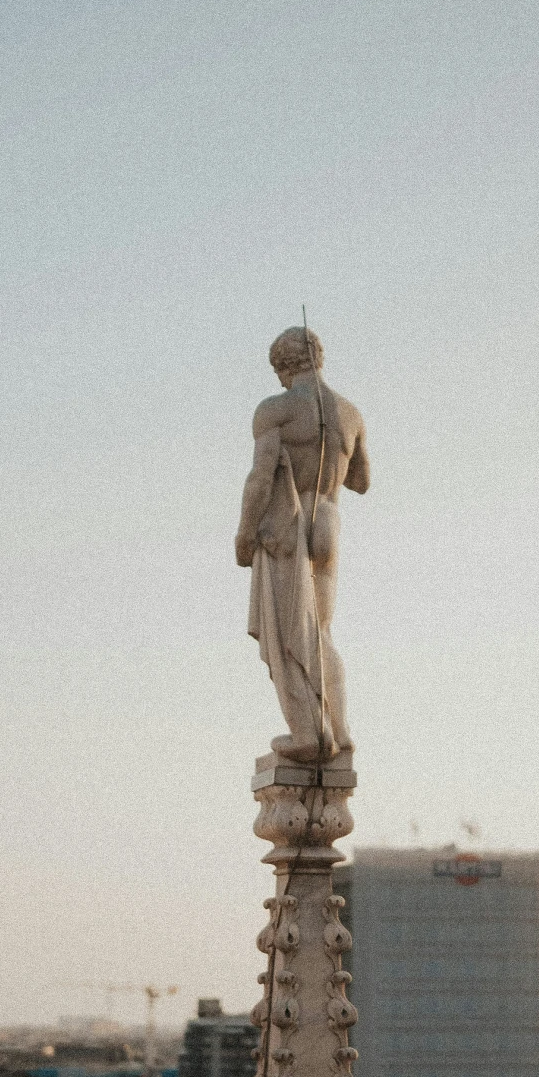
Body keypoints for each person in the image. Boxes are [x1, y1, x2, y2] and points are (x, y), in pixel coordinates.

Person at [235, 326, 370, 760]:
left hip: (289, 524)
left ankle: (307, 734)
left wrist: (243, 532)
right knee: (322, 632)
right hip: (329, 519)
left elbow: (259, 477)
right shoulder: (350, 414)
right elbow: (362, 482)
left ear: (283, 366)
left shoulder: (275, 410)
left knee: (288, 632)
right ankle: (340, 730)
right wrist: (332, 453)